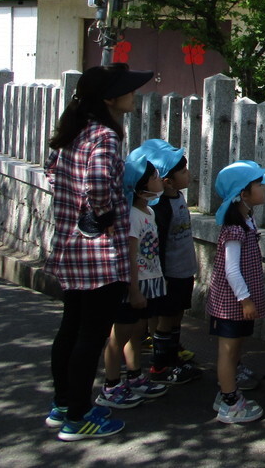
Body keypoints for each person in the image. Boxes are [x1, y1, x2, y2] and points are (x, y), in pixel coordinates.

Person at [45, 63, 152, 441]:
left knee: (71, 327)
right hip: (100, 255)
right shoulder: (104, 136)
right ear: (109, 98)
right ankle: (79, 416)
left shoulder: (74, 132)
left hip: (70, 247)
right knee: (91, 334)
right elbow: (98, 185)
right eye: (127, 89)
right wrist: (106, 217)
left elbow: (52, 171)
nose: (133, 94)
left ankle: (63, 405)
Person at [98, 150, 170, 409]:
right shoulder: (131, 216)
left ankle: (135, 375)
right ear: (140, 189)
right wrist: (134, 289)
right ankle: (111, 384)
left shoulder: (148, 211)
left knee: (138, 332)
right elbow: (129, 254)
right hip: (134, 284)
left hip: (148, 280)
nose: (160, 179)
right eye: (153, 177)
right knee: (121, 334)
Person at [207, 160, 265, 424]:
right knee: (228, 351)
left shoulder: (246, 219)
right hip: (232, 302)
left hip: (238, 301)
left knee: (235, 350)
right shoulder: (235, 228)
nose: (264, 188)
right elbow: (232, 270)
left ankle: (227, 394)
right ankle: (230, 402)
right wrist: (245, 299)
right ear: (243, 194)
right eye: (258, 184)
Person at [142, 139, 203, 384]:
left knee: (176, 315)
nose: (188, 175)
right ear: (167, 180)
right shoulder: (160, 209)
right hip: (169, 274)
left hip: (183, 270)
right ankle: (160, 366)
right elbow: (160, 246)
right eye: (183, 171)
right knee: (166, 319)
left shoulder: (178, 198)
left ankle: (172, 354)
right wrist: (161, 277)